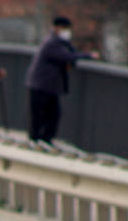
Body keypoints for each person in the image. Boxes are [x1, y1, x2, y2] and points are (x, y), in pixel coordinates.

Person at [25, 14, 98, 144]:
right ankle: (37, 141)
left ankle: (44, 140)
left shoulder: (60, 42)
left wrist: (76, 58)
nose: (67, 32)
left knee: (52, 115)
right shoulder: (52, 42)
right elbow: (66, 56)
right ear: (57, 28)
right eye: (64, 28)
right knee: (41, 116)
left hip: (48, 87)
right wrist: (89, 56)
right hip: (41, 85)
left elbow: (71, 53)